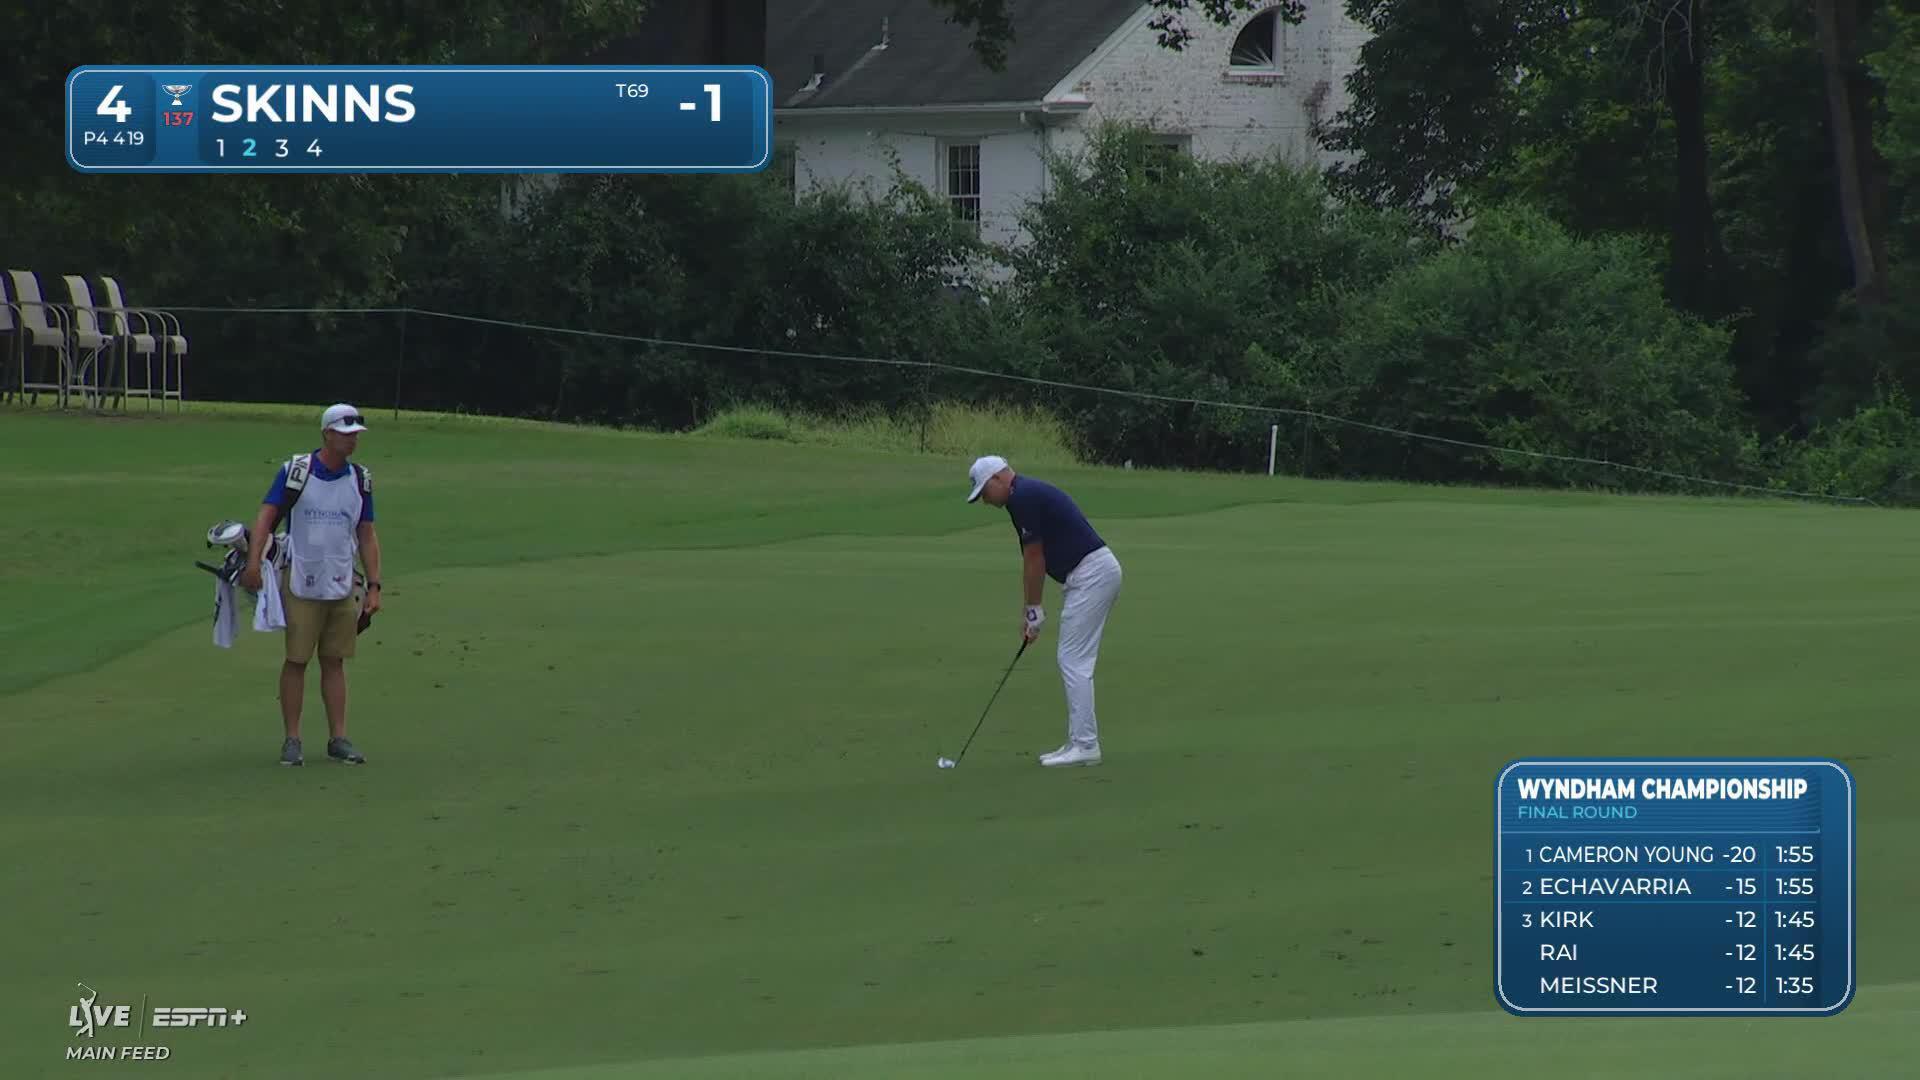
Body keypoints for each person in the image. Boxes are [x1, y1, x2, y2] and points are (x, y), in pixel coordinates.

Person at [240, 403, 383, 767]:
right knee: (296, 660)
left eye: (356, 435)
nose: (352, 441)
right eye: (345, 434)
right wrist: (254, 562)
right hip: (301, 579)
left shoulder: (360, 479)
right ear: (327, 434)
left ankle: (338, 738)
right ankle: (292, 739)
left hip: (342, 581)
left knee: (334, 661)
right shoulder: (296, 471)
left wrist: (375, 585)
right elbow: (266, 517)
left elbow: (367, 534)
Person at [966, 455, 1123, 767]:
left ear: (998, 479)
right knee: (1073, 658)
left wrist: (1033, 610)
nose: (985, 500)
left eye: (985, 492)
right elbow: (1035, 557)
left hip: (1092, 575)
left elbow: (1034, 559)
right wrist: (1032, 610)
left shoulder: (1022, 497)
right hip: (1091, 574)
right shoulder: (1022, 495)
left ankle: (1085, 744)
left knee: (1073, 659)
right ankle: (1078, 742)